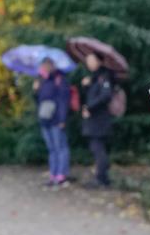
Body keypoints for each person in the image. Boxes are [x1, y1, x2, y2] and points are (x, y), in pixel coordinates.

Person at [33, 58, 71, 189]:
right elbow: (39, 102)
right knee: (51, 148)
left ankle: (62, 174)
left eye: (45, 65)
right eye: (42, 65)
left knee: (60, 147)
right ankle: (53, 174)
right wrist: (36, 91)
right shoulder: (42, 81)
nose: (43, 67)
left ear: (52, 65)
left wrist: (62, 119)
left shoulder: (59, 80)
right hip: (45, 119)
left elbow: (63, 101)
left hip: (56, 119)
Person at [80, 52, 115, 188]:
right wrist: (86, 86)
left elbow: (105, 96)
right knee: (97, 148)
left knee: (98, 148)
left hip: (100, 120)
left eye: (92, 60)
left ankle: (101, 178)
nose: (89, 63)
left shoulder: (104, 76)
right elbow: (89, 96)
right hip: (93, 120)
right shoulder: (93, 78)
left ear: (99, 61)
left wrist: (90, 107)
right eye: (87, 60)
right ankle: (102, 177)